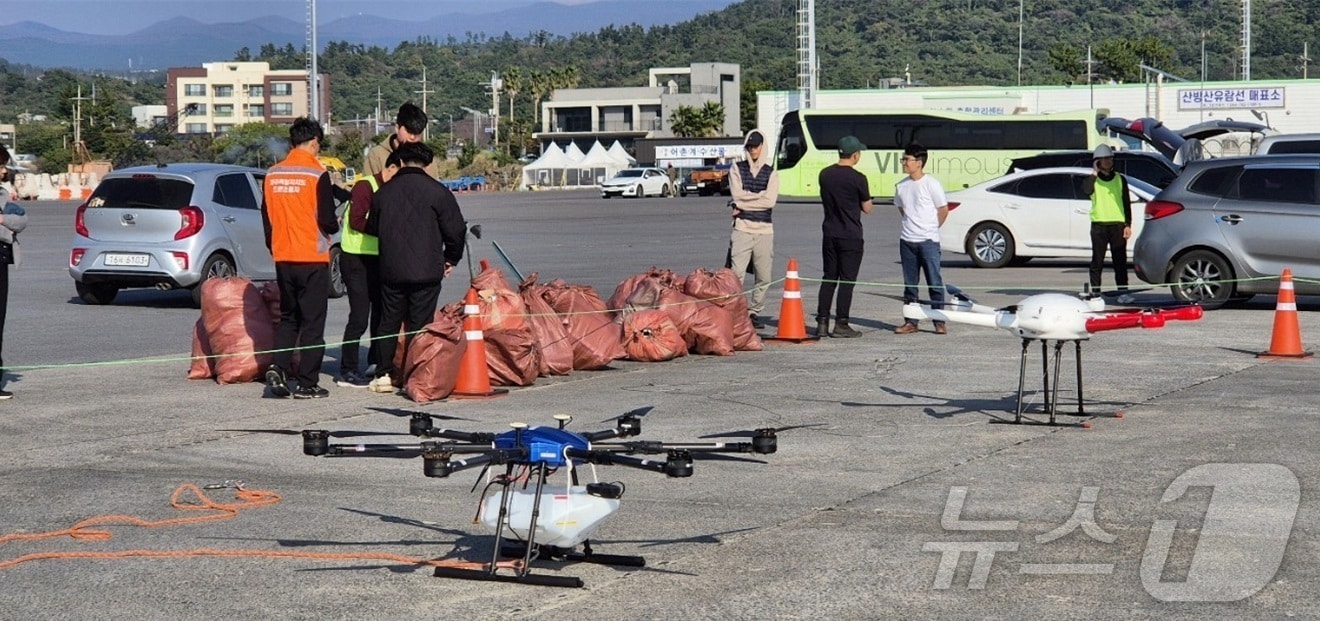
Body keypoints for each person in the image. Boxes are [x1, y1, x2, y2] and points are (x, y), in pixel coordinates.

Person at [365, 142, 466, 394]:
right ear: (427, 164)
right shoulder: (438, 192)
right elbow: (455, 231)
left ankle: (384, 374)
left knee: (388, 322)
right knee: (420, 324)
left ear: (399, 163)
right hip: (427, 271)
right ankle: (414, 374)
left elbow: (372, 229)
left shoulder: (383, 194)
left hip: (390, 269)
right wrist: (451, 258)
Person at [261, 117, 340, 399]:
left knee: (288, 318)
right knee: (313, 323)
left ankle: (278, 367)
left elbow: (266, 219)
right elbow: (328, 222)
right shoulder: (316, 173)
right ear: (314, 142)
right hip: (312, 257)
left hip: (283, 257)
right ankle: (307, 383)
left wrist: (274, 246)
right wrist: (336, 224)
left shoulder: (272, 174)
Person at [335, 151, 401, 388]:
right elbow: (357, 221)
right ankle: (348, 369)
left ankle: (375, 361)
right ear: (391, 167)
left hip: (378, 258)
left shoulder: (393, 189)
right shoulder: (366, 186)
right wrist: (386, 230)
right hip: (355, 258)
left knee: (381, 313)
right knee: (359, 316)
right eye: (399, 173)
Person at [816, 136, 873, 338]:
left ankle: (822, 321)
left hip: (830, 232)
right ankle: (841, 323)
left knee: (829, 278)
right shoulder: (859, 178)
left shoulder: (825, 175)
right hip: (851, 235)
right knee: (847, 281)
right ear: (855, 155)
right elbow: (867, 208)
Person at [893, 143, 949, 335]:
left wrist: (931, 229)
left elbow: (943, 210)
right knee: (910, 284)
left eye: (907, 159)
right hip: (907, 241)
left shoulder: (931, 184)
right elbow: (902, 209)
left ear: (919, 162)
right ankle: (911, 321)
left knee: (934, 281)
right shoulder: (901, 186)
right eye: (903, 159)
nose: (904, 163)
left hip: (928, 241)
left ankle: (939, 320)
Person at [727, 129, 779, 329]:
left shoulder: (771, 172)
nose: (752, 149)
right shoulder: (736, 168)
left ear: (762, 146)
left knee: (764, 276)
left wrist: (745, 200)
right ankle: (735, 311)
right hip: (742, 228)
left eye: (755, 146)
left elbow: (770, 201)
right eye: (749, 146)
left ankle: (754, 311)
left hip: (765, 230)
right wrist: (757, 198)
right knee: (736, 274)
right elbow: (738, 196)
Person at [1081, 144, 1134, 303]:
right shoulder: (1093, 180)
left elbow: (1126, 203)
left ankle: (1123, 292)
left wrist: (1128, 224)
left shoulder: (1119, 179)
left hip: (1117, 224)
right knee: (1097, 261)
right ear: (1097, 161)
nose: (1108, 162)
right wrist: (1094, 173)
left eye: (1109, 158)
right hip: (1099, 224)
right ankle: (1096, 293)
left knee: (1120, 261)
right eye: (1103, 159)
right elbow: (1086, 190)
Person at [0, 145, 27, 400]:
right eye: (0, 165)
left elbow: (21, 220)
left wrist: (2, 220)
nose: (4, 170)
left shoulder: (3, 195)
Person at [363, 102, 441, 179]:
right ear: (397, 128)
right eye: (409, 131)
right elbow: (368, 186)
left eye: (417, 133)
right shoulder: (376, 156)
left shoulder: (427, 159)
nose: (412, 137)